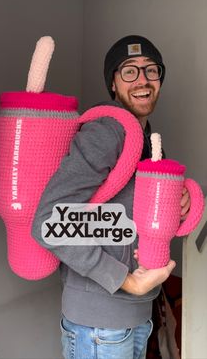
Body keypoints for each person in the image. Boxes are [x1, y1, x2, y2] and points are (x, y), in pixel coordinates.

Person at [31, 35, 190, 359]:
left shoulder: (147, 139)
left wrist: (179, 203)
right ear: (113, 85)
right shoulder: (108, 131)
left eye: (151, 70)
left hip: (134, 317)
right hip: (100, 327)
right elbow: (48, 222)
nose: (143, 80)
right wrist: (125, 281)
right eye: (129, 71)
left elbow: (134, 213)